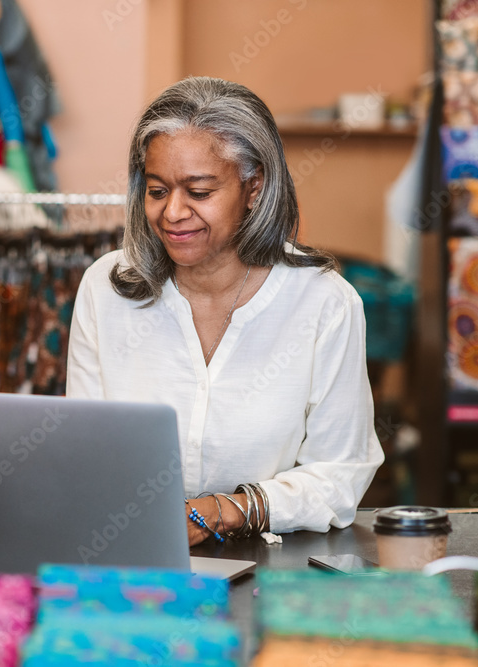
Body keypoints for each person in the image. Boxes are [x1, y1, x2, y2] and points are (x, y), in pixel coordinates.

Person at [66, 77, 384, 546]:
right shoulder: (107, 288)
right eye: (157, 191)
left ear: (253, 187)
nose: (173, 212)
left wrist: (225, 511)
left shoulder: (324, 304)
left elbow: (340, 475)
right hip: (128, 551)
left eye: (199, 191)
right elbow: (82, 450)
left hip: (272, 567)